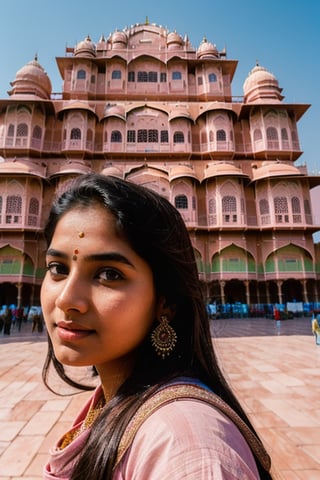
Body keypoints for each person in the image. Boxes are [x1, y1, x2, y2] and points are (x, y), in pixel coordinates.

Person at [41, 173, 272, 480]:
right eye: (58, 268)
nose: (67, 299)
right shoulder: (115, 402)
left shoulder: (185, 447)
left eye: (109, 274)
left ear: (166, 301)